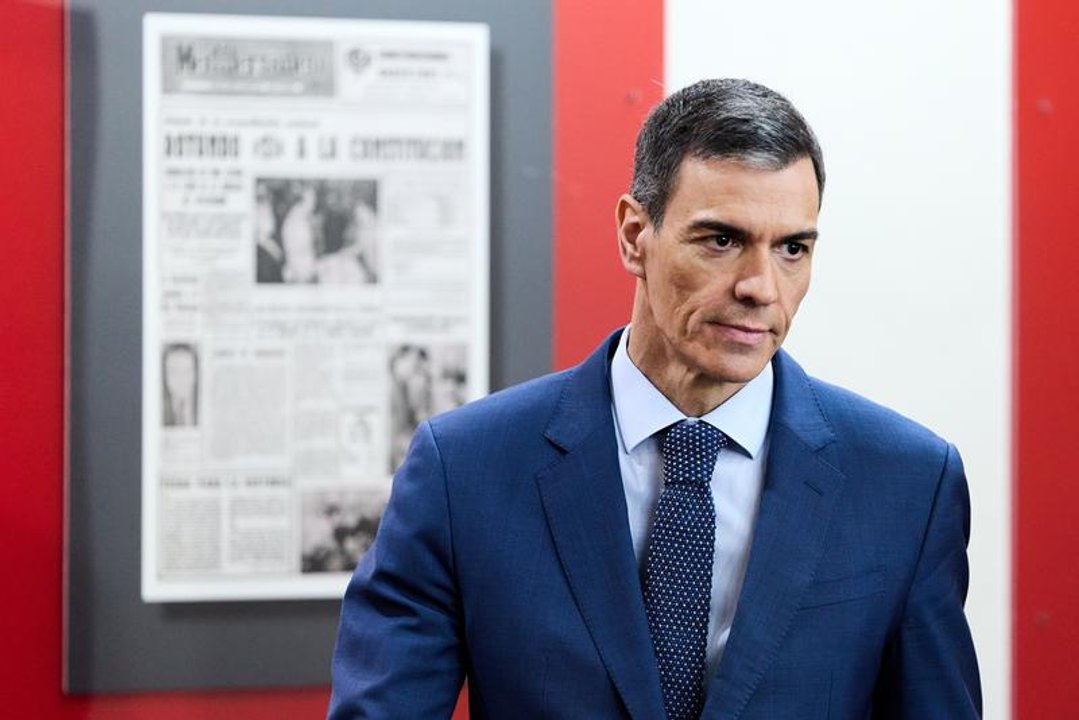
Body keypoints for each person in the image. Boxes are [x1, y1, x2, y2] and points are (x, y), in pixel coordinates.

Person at [328, 79, 982, 718]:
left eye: (791, 248)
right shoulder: (463, 470)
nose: (760, 286)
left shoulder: (909, 484)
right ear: (633, 236)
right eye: (721, 240)